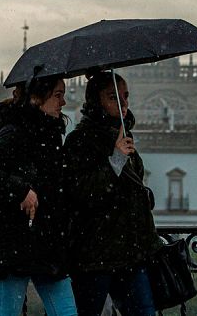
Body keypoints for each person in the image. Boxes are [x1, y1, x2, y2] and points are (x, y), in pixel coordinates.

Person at [0, 77, 77, 316]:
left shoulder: (51, 135)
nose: (64, 101)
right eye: (57, 95)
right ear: (37, 98)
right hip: (16, 244)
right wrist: (20, 190)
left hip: (46, 245)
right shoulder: (14, 133)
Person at [64, 71, 161, 316]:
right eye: (113, 97)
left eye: (126, 96)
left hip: (130, 254)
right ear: (97, 102)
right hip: (95, 257)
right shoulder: (80, 141)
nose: (123, 103)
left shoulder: (124, 136)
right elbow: (83, 192)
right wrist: (116, 160)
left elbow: (132, 185)